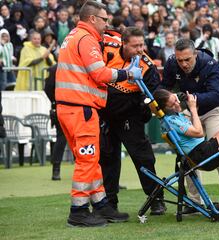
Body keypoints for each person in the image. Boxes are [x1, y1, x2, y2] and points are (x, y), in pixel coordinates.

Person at [55, 1, 142, 227]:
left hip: (71, 107)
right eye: (104, 19)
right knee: (87, 158)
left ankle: (101, 204)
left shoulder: (73, 36)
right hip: (80, 107)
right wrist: (127, 74)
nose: (107, 24)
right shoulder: (86, 39)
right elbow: (99, 73)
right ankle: (79, 210)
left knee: (91, 159)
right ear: (93, 19)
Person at [160, 38, 219, 216]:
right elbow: (165, 87)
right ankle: (195, 202)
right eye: (180, 60)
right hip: (191, 107)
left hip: (215, 109)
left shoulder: (210, 64)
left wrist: (188, 98)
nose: (184, 64)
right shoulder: (172, 63)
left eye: (187, 59)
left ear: (195, 54)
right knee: (187, 155)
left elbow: (216, 94)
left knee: (218, 152)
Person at [99, 27, 166, 215]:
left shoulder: (147, 65)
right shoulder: (107, 51)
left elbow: (153, 94)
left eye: (142, 45)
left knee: (143, 157)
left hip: (130, 117)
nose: (140, 49)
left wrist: (143, 109)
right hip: (105, 116)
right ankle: (110, 203)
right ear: (124, 44)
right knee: (108, 159)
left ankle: (156, 199)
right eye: (135, 46)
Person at [44, 64, 67, 181]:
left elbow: (47, 88)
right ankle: (56, 168)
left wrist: (55, 101)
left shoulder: (54, 68)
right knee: (62, 139)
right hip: (63, 107)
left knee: (61, 139)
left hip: (60, 106)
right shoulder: (55, 68)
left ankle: (56, 169)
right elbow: (48, 88)